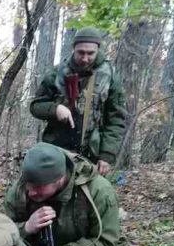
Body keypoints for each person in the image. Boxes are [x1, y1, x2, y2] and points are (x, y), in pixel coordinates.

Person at [30, 27, 126, 176]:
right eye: (81, 52)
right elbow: (35, 106)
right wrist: (55, 109)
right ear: (74, 48)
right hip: (57, 149)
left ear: (98, 50)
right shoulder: (57, 73)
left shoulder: (110, 76)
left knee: (91, 196)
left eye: (90, 53)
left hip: (92, 152)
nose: (85, 58)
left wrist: (107, 155)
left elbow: (116, 119)